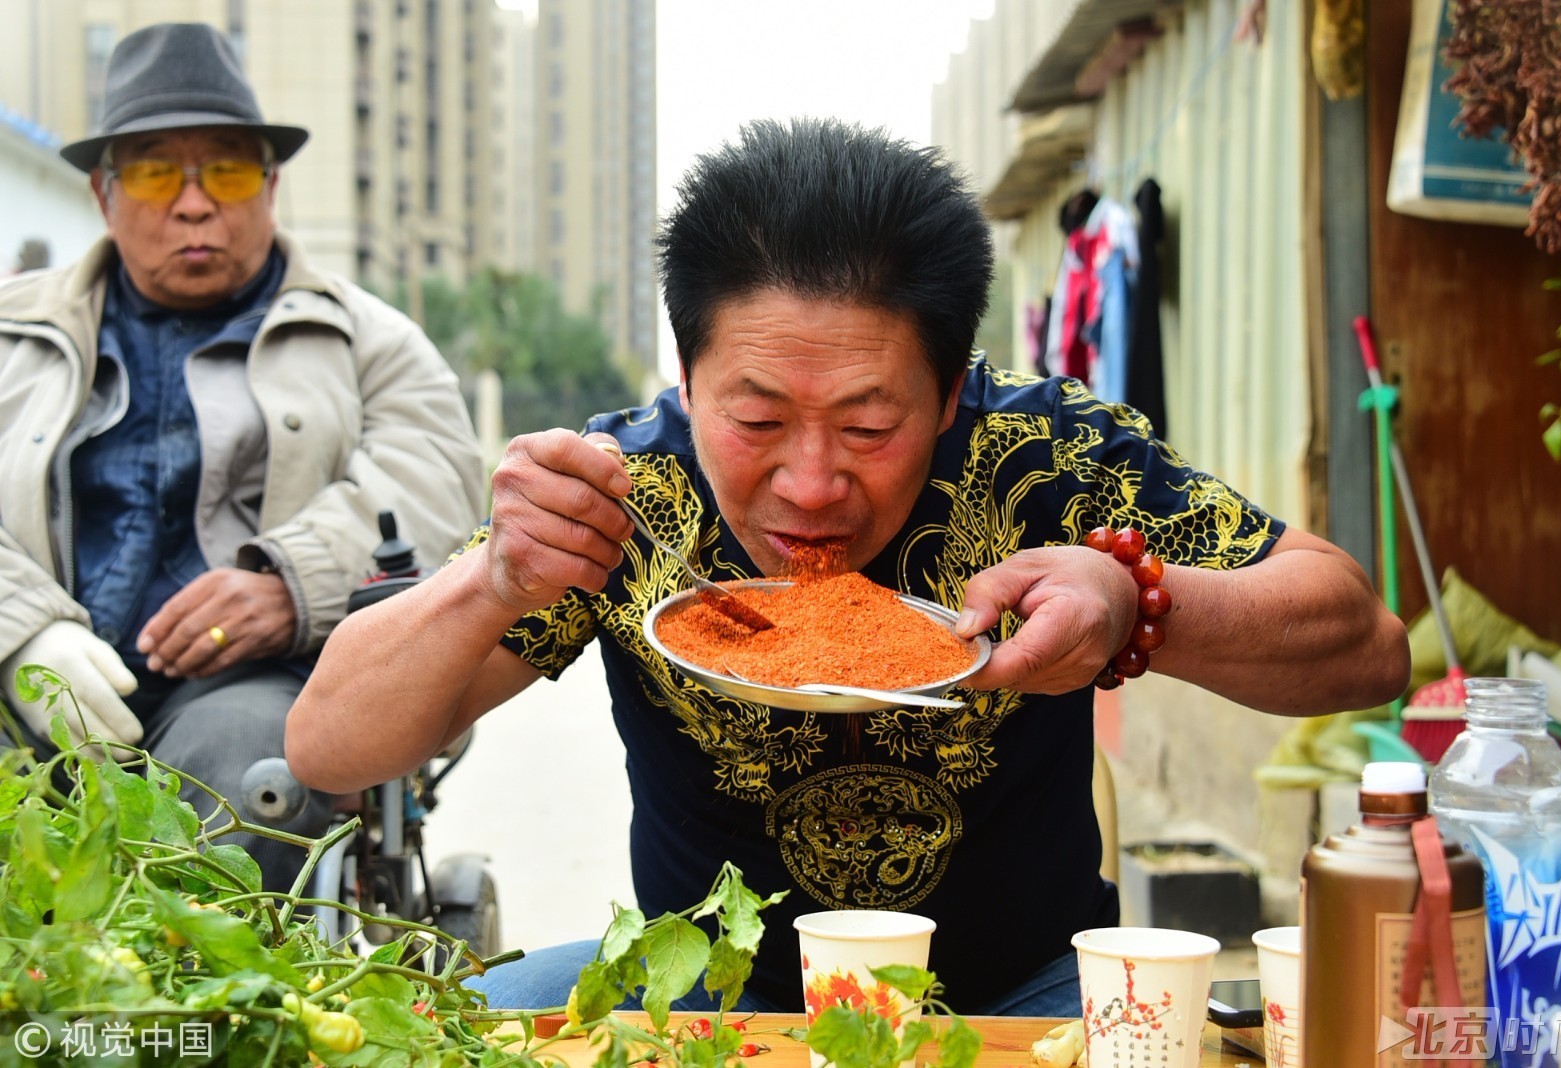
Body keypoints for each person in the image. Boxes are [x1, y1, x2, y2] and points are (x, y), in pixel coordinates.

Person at [286, 118, 1410, 1014]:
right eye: (758, 419)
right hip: (711, 1003)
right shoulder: (624, 493)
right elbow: (329, 748)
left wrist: (1136, 602)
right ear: (687, 376)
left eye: (870, 427)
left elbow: (1366, 646)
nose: (811, 483)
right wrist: (489, 584)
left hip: (1027, 989)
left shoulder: (1048, 459)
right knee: (452, 1027)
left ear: (952, 389)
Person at [0, 22, 482, 893]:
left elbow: (436, 481)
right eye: (152, 171)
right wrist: (26, 630)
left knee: (244, 776)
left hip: (257, 687)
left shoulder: (373, 341)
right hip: (30, 680)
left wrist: (290, 583)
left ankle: (185, 1017)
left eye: (224, 170)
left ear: (268, 187)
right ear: (105, 195)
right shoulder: (13, 334)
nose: (193, 204)